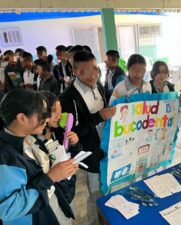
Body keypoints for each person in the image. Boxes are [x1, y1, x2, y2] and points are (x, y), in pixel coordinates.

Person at [0, 88, 78, 225]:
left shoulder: (31, 139)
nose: (47, 118)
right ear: (21, 118)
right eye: (42, 114)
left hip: (51, 210)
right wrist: (50, 177)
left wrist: (62, 169)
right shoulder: (5, 157)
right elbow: (8, 209)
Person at [60, 50, 116, 225]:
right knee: (95, 193)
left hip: (107, 145)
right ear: (75, 71)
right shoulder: (67, 98)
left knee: (108, 185)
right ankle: (96, 221)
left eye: (94, 69)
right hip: (90, 152)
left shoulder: (98, 85)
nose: (92, 75)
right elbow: (69, 132)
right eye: (85, 72)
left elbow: (105, 112)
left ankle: (110, 217)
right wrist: (98, 116)